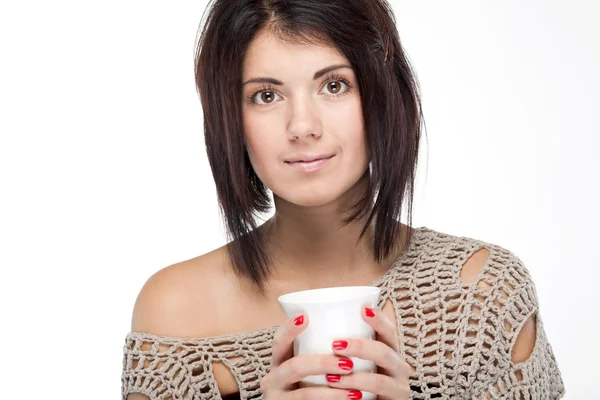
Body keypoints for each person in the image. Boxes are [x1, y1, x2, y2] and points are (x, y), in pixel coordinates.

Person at [122, 0, 564, 399]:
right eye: (266, 95)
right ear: (231, 121)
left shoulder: (479, 296)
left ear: (381, 95)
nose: (302, 126)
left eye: (334, 85)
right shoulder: (176, 315)